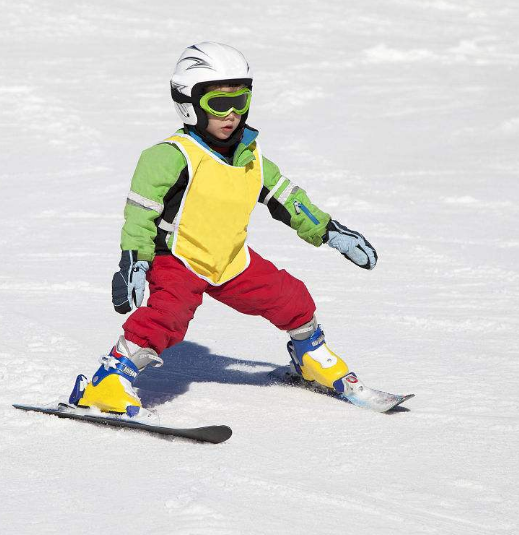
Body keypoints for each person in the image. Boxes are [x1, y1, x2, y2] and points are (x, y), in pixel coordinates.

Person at [68, 42, 378, 420]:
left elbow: (290, 200)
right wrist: (134, 260)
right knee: (169, 314)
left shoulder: (252, 157)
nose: (232, 114)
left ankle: (310, 358)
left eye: (241, 100)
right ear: (190, 104)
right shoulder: (169, 156)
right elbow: (139, 216)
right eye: (218, 103)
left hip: (231, 260)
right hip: (179, 258)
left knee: (292, 297)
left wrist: (329, 231)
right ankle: (108, 379)